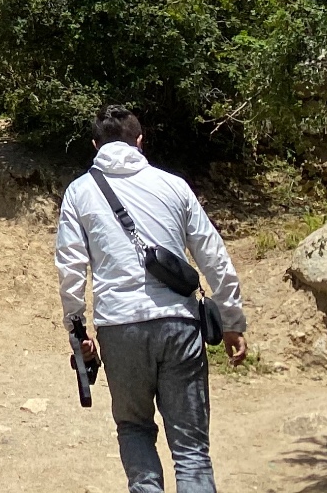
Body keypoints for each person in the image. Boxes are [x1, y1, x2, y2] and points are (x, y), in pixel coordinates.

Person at [56, 105, 249, 493]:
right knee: (191, 450)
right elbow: (214, 256)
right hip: (179, 324)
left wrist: (78, 332)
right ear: (140, 141)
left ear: (95, 145)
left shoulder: (79, 192)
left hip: (119, 327)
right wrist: (231, 321)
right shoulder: (174, 186)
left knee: (134, 428)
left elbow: (71, 267)